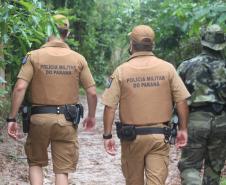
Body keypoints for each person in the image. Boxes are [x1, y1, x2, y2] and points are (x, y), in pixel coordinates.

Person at [6, 14, 97, 185]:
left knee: (35, 163)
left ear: (48, 30)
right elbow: (92, 93)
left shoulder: (34, 56)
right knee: (62, 169)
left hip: (38, 120)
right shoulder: (78, 59)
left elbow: (19, 87)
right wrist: (91, 116)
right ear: (67, 33)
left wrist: (11, 118)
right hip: (66, 121)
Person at [101, 25, 190, 185]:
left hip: (132, 139)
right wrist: (183, 129)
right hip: (159, 137)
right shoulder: (168, 68)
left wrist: (107, 136)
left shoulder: (121, 71)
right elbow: (181, 100)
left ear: (131, 45)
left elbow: (110, 106)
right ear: (152, 45)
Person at [177, 24, 226, 185]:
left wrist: (175, 122)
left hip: (196, 119)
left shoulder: (186, 66)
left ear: (203, 41)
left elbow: (176, 97)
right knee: (214, 169)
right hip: (222, 122)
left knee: (190, 166)